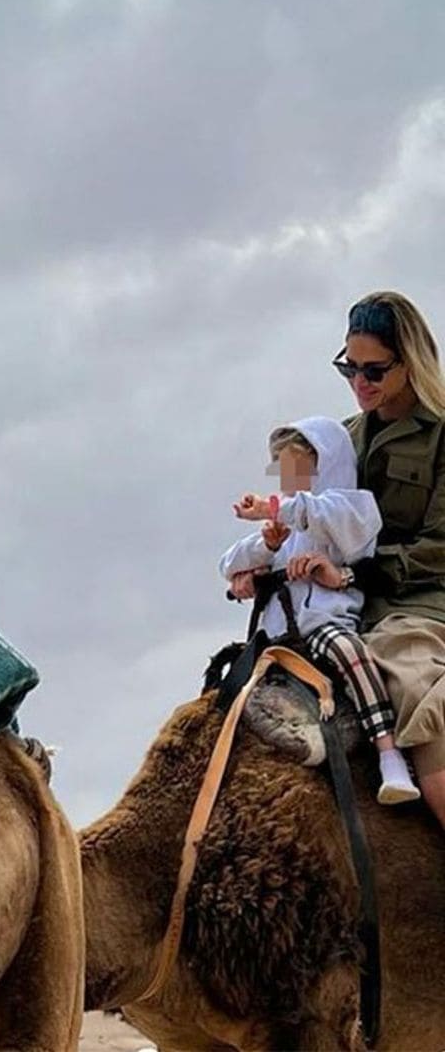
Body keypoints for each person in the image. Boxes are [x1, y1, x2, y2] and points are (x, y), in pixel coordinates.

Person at [289, 292, 445, 835]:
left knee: (413, 686)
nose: (360, 383)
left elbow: (439, 546)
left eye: (374, 370)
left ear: (410, 362)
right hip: (337, 607)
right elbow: (304, 517)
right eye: (349, 368)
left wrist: (355, 573)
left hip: (417, 607)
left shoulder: (442, 434)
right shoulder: (339, 441)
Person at [221, 417, 421, 803]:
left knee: (350, 653)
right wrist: (267, 549)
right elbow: (228, 563)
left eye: (295, 466)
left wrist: (271, 508)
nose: (287, 477)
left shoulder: (353, 510)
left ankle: (389, 754)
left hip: (324, 625)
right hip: (276, 639)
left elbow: (320, 513)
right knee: (224, 686)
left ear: (325, 463)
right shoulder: (287, 528)